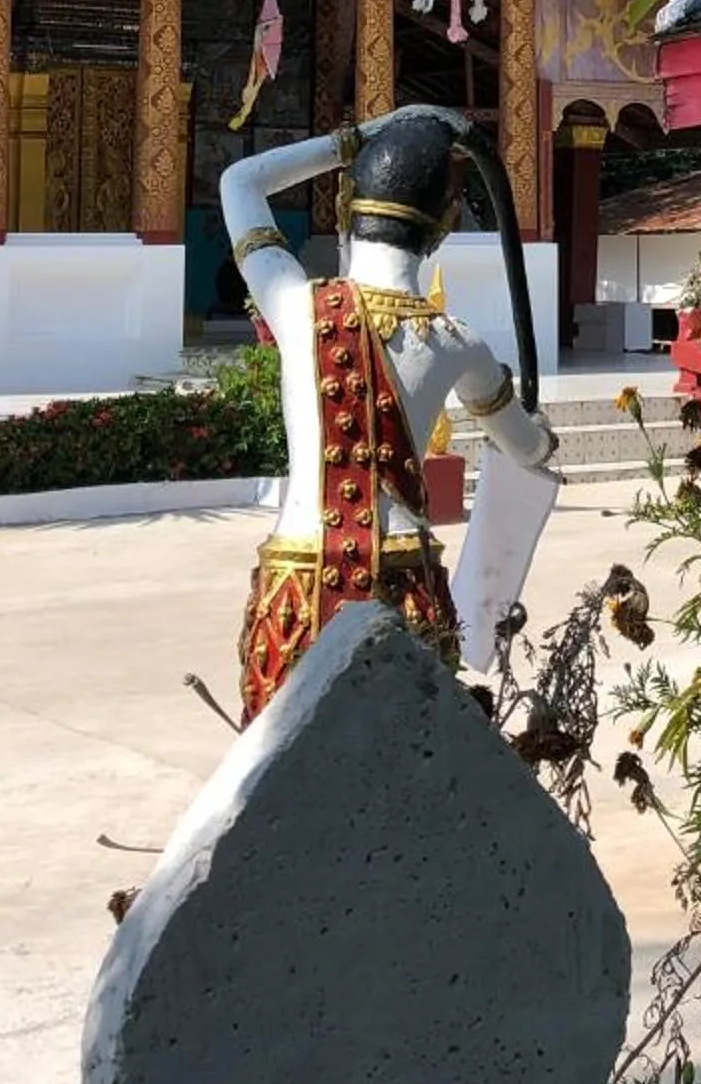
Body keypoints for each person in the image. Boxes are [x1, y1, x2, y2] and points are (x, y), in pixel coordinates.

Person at [219, 104, 562, 719]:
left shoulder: (296, 305)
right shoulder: (457, 340)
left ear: (349, 204)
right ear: (443, 225)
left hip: (300, 589)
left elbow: (238, 182)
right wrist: (539, 433)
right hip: (404, 593)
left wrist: (353, 138)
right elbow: (529, 448)